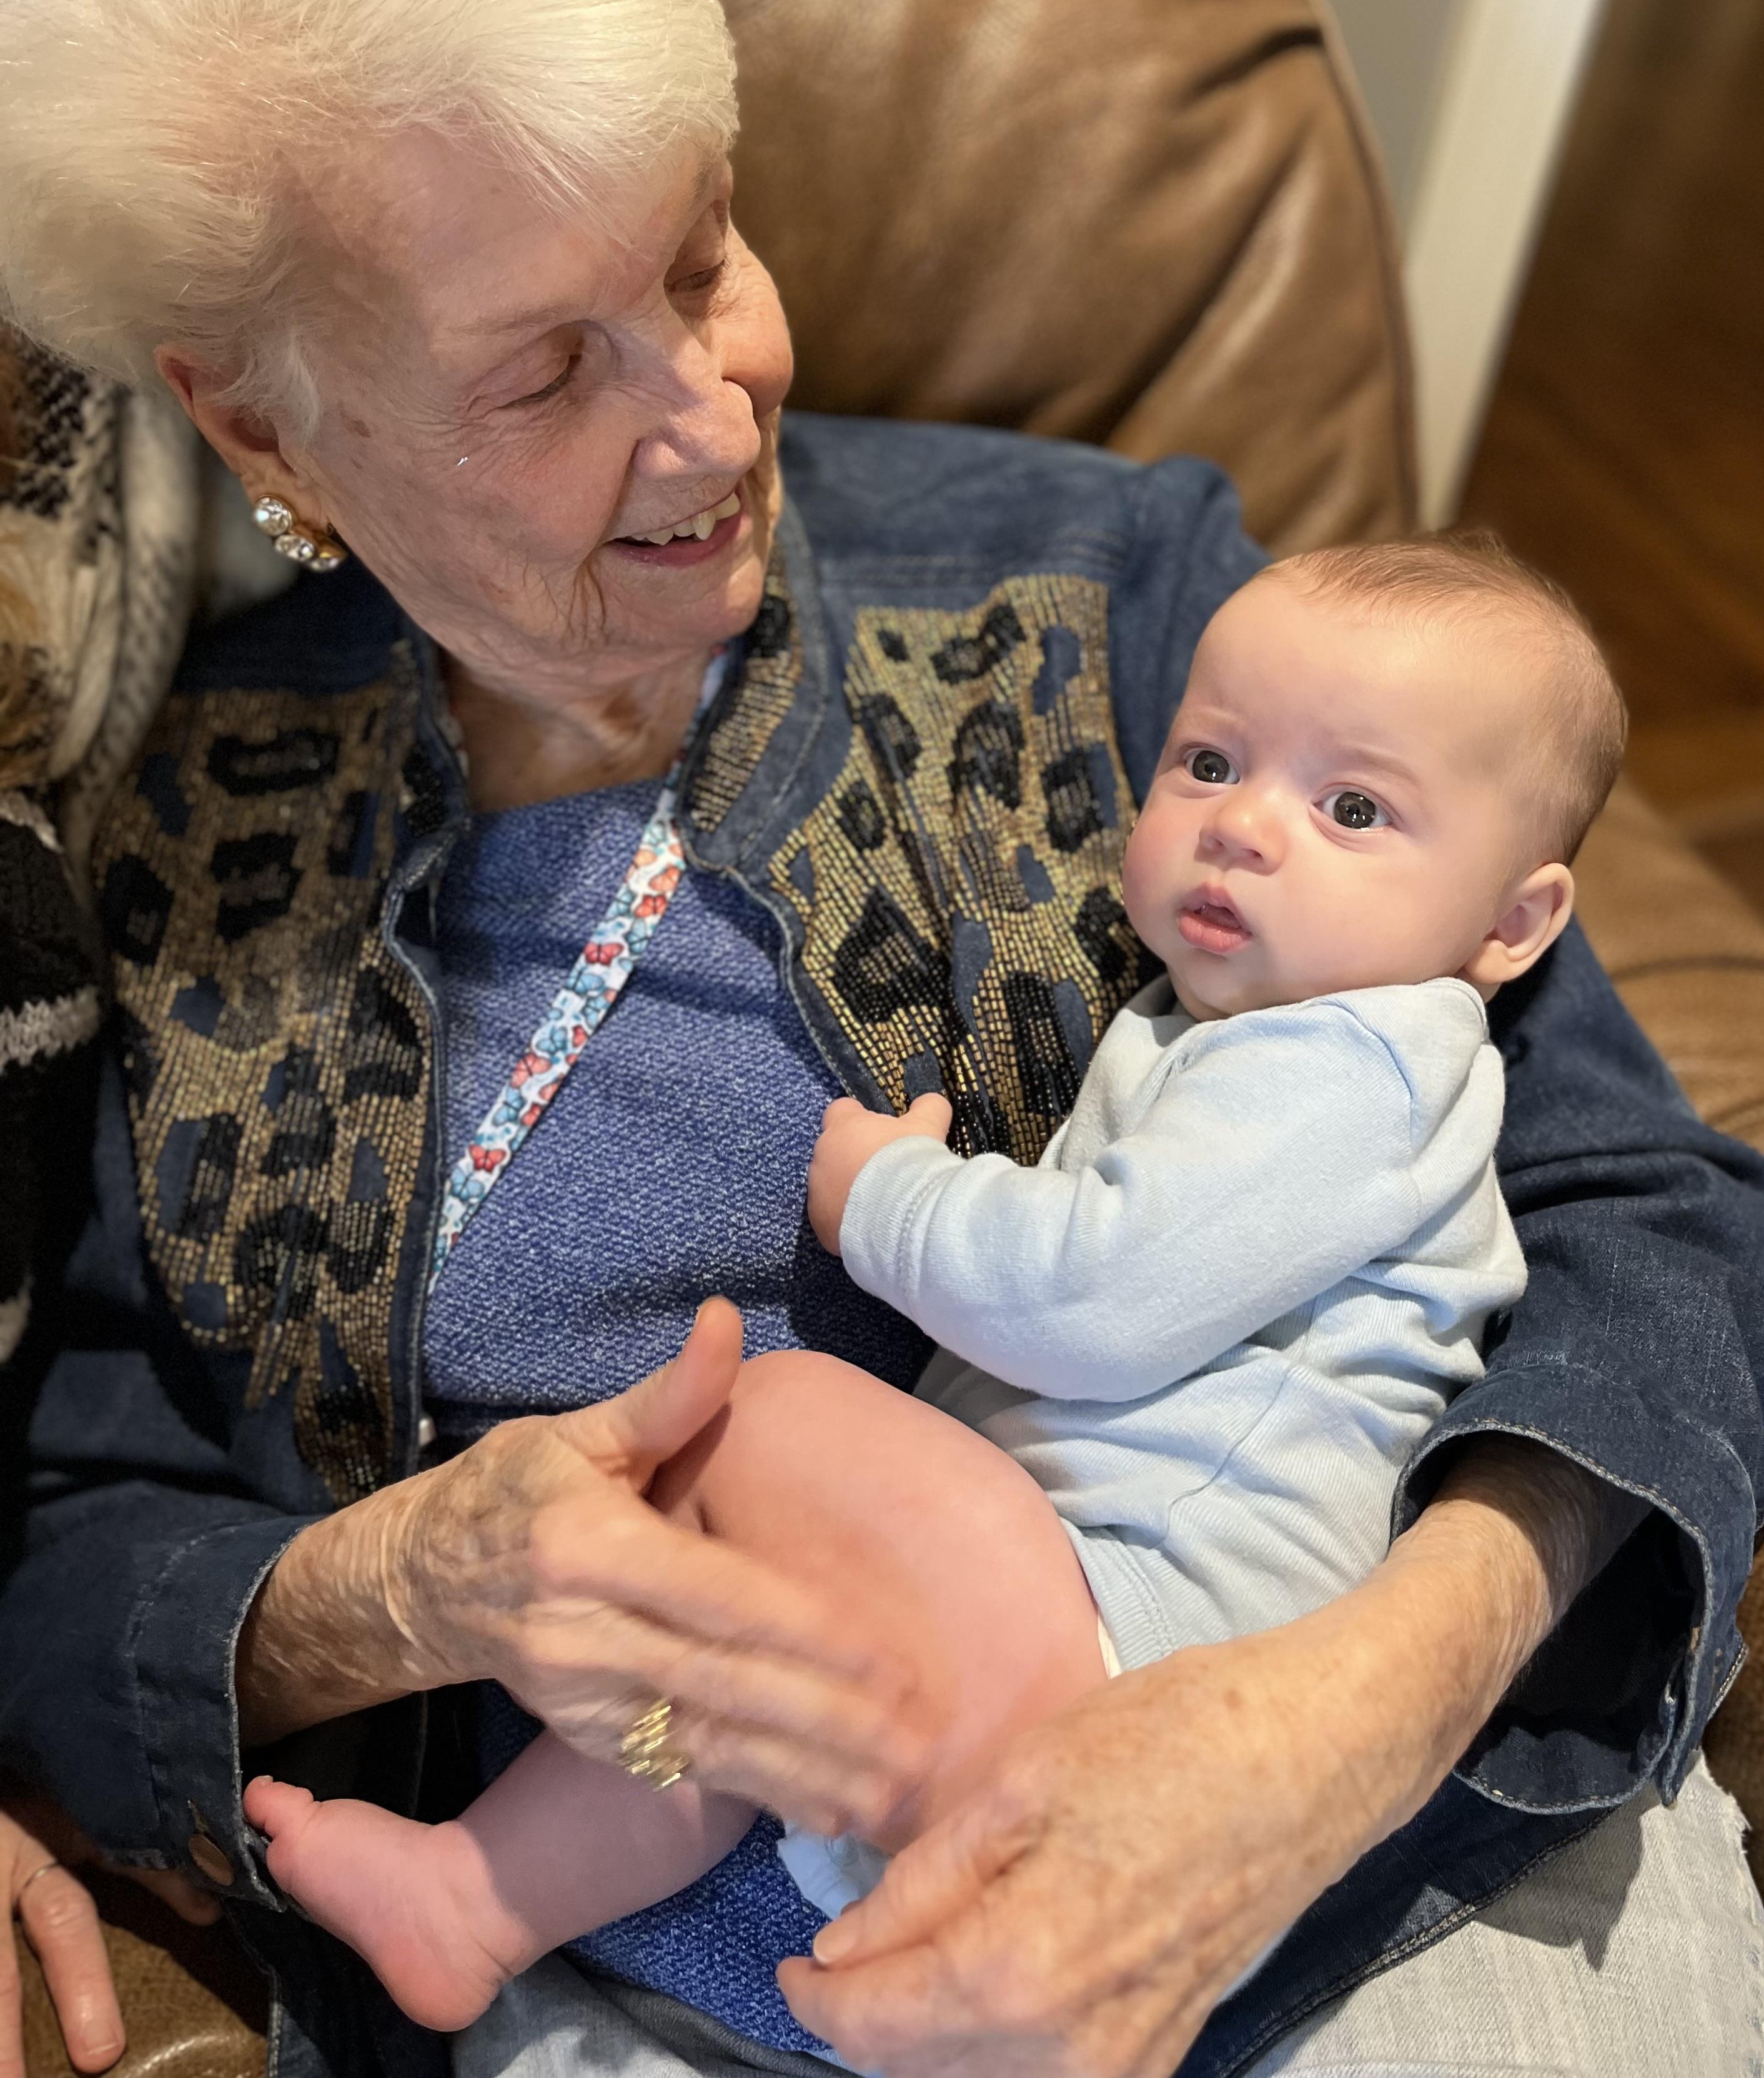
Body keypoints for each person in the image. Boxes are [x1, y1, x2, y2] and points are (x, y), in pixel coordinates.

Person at [0, 0, 1764, 2078]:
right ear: (262, 425)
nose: (709, 414)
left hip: (1348, 1844)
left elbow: (1652, 1217)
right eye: (547, 366)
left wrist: (1330, 1721)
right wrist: (394, 1589)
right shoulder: (181, 851)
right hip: (673, 1936)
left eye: (699, 257)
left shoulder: (1114, 596)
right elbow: (73, 1515)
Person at [237, 528, 1614, 2029]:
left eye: (1353, 807)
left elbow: (1091, 1297)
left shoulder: (1358, 1067)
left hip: (1151, 1647)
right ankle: (476, 1898)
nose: (1245, 830)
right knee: (711, 1654)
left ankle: (501, 1890)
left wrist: (885, 1195)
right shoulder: (1242, 1027)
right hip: (1049, 1627)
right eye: (1212, 764)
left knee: (778, 1420)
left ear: (1512, 924)